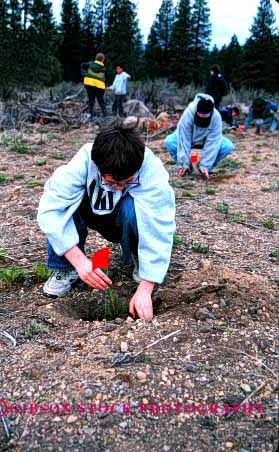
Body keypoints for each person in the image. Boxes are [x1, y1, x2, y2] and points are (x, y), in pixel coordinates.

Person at [37, 120, 176, 320]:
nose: (118, 187)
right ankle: (64, 268)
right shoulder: (84, 162)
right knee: (67, 205)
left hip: (123, 219)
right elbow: (51, 210)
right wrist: (80, 262)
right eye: (112, 182)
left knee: (134, 209)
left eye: (127, 182)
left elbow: (160, 226)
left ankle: (140, 258)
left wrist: (147, 286)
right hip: (90, 213)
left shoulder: (152, 171)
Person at [164, 93, 234, 179]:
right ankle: (186, 167)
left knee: (227, 146)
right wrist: (183, 163)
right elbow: (184, 139)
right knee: (169, 142)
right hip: (189, 137)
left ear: (211, 112)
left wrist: (205, 166)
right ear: (196, 110)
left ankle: (205, 169)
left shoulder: (216, 117)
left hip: (205, 139)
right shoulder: (188, 113)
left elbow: (213, 142)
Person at [81, 53, 107, 118]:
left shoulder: (90, 64)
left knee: (91, 100)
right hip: (99, 86)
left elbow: (82, 65)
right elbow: (104, 78)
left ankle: (90, 116)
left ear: (96, 58)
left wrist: (84, 74)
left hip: (89, 84)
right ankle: (105, 115)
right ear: (103, 60)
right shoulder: (103, 68)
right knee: (101, 101)